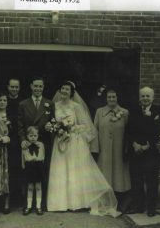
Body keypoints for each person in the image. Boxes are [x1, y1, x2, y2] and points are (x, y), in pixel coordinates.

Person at [47, 81, 120, 218]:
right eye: (62, 88)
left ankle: (76, 203)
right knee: (61, 170)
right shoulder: (54, 106)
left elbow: (86, 126)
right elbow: (52, 123)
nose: (64, 91)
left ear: (71, 92)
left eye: (67, 89)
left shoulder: (76, 107)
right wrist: (58, 129)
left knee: (74, 171)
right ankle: (59, 203)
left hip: (73, 142)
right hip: (60, 142)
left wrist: (71, 128)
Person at [126, 87, 160, 217]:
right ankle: (138, 206)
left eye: (147, 96)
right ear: (140, 98)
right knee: (136, 179)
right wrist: (134, 144)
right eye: (143, 96)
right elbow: (128, 130)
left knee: (151, 180)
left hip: (152, 152)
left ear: (152, 97)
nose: (145, 98)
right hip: (136, 151)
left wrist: (147, 146)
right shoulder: (133, 111)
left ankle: (151, 208)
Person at [18, 76, 54, 211]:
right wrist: (23, 140)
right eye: (36, 86)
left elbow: (53, 122)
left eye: (41, 86)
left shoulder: (49, 104)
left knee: (42, 175)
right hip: (28, 145)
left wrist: (50, 127)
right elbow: (20, 125)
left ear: (43, 88)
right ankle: (27, 205)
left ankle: (40, 204)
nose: (38, 89)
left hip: (42, 145)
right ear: (31, 86)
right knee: (27, 176)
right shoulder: (23, 104)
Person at [94, 89, 131, 212]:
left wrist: (126, 149)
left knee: (119, 173)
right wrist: (95, 149)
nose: (111, 99)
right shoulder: (99, 112)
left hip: (118, 149)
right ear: (106, 98)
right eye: (109, 97)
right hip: (104, 149)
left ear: (117, 98)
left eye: (113, 97)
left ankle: (120, 200)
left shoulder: (124, 113)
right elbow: (95, 131)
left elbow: (128, 133)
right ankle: (106, 200)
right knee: (105, 172)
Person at [6, 78, 23, 207]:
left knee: (18, 168)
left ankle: (18, 197)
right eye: (12, 87)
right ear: (8, 87)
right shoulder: (3, 100)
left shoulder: (22, 102)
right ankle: (8, 197)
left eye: (16, 87)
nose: (14, 89)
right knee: (8, 168)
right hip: (6, 139)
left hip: (18, 139)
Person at [22, 126, 45, 215]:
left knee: (38, 187)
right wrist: (31, 158)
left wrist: (36, 158)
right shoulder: (25, 146)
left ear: (38, 136)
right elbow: (24, 158)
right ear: (27, 136)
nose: (33, 138)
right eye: (31, 136)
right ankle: (28, 206)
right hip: (29, 168)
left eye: (35, 136)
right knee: (30, 187)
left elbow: (42, 157)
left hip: (38, 167)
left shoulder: (41, 145)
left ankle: (39, 206)